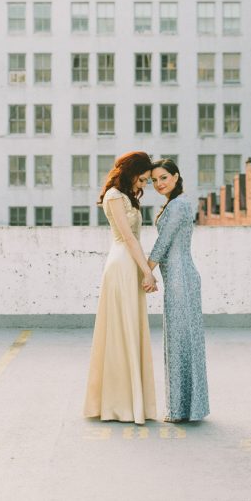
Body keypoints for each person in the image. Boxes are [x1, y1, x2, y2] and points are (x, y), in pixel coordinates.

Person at [83, 151, 159, 424]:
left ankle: (129, 401)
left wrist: (144, 270)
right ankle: (119, 404)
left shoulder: (126, 196)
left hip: (130, 264)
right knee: (120, 330)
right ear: (131, 173)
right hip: (122, 265)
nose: (144, 185)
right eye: (143, 179)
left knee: (130, 328)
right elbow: (128, 237)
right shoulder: (115, 196)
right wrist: (147, 272)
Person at [147, 158, 209, 422]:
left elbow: (163, 243)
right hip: (177, 278)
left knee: (181, 343)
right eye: (154, 181)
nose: (159, 184)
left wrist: (144, 270)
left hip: (181, 279)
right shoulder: (174, 204)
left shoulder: (180, 204)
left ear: (176, 176)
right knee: (179, 342)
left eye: (163, 178)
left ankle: (182, 409)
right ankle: (185, 408)